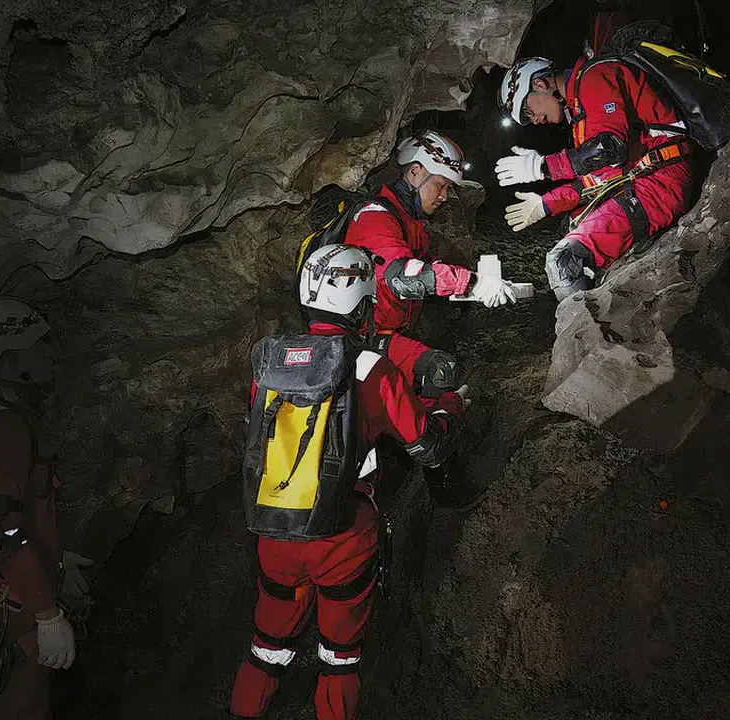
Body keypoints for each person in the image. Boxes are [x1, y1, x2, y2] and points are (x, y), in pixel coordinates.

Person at [229, 245, 468, 720]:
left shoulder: (268, 362)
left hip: (275, 529)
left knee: (267, 645)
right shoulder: (368, 369)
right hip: (343, 535)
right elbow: (426, 446)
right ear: (361, 306)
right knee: (340, 656)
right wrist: (448, 407)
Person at [342, 130, 513, 506]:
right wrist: (469, 281)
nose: (445, 196)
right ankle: (439, 480)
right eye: (440, 185)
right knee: (438, 373)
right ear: (415, 172)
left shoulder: (409, 221)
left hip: (384, 333)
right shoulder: (375, 218)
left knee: (434, 375)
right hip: (361, 339)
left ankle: (411, 455)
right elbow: (405, 276)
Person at [0, 296, 92, 720]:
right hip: (7, 611)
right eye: (39, 345)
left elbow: (16, 512)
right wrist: (47, 614)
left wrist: (55, 557)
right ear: (12, 360)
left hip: (1, 595)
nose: (49, 353)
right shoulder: (0, 426)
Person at [494, 48, 696, 301]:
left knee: (565, 261)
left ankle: (582, 337)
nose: (533, 120)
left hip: (662, 181)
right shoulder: (581, 107)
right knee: (574, 223)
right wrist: (547, 204)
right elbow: (602, 176)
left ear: (540, 83)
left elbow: (609, 149)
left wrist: (542, 167)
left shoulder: (595, 76)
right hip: (646, 178)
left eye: (527, 111)